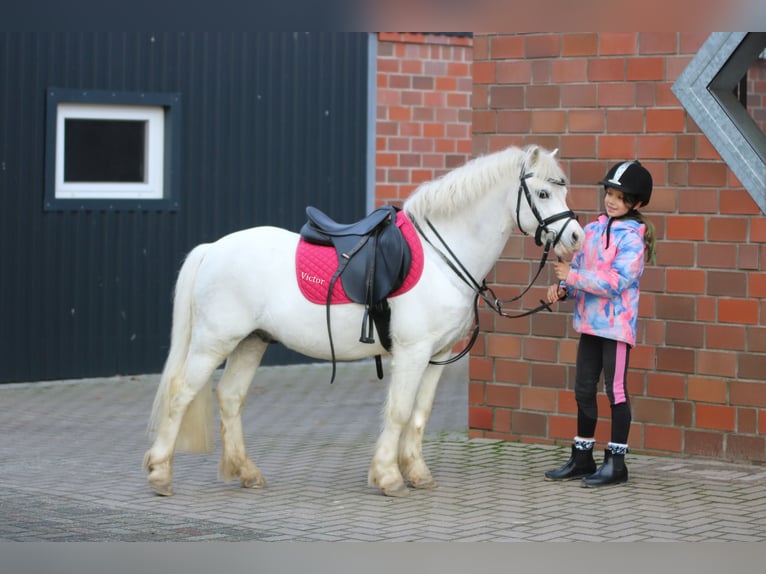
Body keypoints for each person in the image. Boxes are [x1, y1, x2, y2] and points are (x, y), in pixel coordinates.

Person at [543, 160, 656, 487]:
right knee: (583, 389)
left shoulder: (634, 238)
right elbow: (578, 274)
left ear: (636, 203)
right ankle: (582, 457)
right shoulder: (591, 230)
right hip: (589, 324)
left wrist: (574, 276)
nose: (611, 200)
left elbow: (617, 281)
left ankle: (616, 463)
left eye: (620, 197)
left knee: (616, 391)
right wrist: (563, 289)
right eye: (609, 193)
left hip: (616, 328)